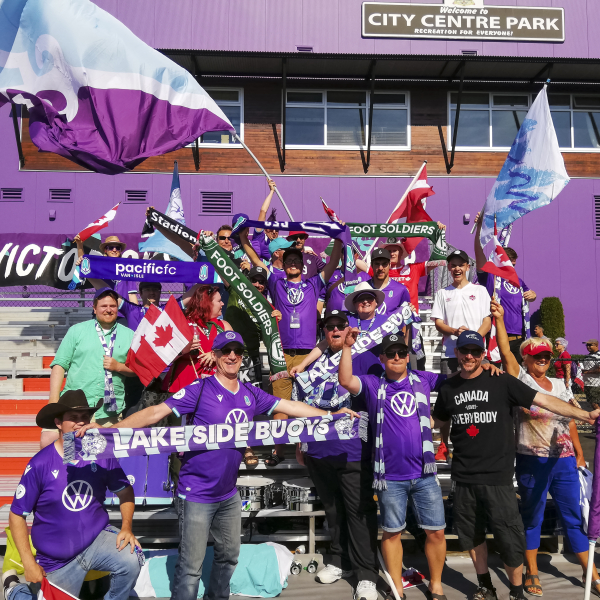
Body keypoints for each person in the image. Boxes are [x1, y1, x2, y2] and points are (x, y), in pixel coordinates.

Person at [76, 331, 359, 600]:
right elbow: (154, 412)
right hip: (196, 494)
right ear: (216, 355)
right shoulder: (199, 389)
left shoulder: (251, 393)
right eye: (226, 351)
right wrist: (108, 429)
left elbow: (292, 407)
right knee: (190, 567)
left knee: (228, 558)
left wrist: (330, 414)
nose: (232, 356)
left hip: (228, 495)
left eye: (237, 351)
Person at [432, 330, 600, 600]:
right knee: (473, 535)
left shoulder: (502, 382)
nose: (470, 356)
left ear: (483, 354)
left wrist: (585, 414)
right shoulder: (448, 388)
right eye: (465, 351)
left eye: (476, 352)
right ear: (457, 353)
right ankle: (485, 585)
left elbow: (544, 400)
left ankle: (516, 590)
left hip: (498, 476)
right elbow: (439, 421)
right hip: (463, 475)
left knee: (509, 537)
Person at [490, 300, 599, 597]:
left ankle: (592, 573)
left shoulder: (558, 383)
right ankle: (533, 571)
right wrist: (499, 320)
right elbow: (504, 351)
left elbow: (570, 420)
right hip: (530, 461)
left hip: (563, 461)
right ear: (526, 358)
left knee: (573, 516)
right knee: (533, 516)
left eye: (547, 356)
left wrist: (578, 453)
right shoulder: (520, 380)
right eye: (537, 355)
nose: (542, 359)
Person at [339, 331, 450, 600]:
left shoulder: (423, 379)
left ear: (408, 355)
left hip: (424, 473)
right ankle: (397, 588)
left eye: (402, 352)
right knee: (392, 534)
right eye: (391, 353)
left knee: (435, 531)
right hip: (389, 477)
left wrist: (487, 365)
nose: (398, 357)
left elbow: (460, 379)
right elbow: (345, 380)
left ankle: (436, 585)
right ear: (382, 358)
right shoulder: (372, 384)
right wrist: (346, 347)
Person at [3, 390, 141, 600]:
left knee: (133, 556)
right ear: (58, 423)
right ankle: (14, 588)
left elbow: (125, 491)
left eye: (84, 417)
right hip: (57, 560)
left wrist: (127, 527)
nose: (80, 423)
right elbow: (16, 515)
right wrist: (29, 563)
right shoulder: (40, 464)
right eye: (73, 418)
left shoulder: (102, 454)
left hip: (96, 541)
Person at [290, 310, 382, 600]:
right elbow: (299, 403)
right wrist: (301, 445)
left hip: (353, 448)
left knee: (359, 512)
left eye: (340, 326)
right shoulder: (312, 362)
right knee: (333, 510)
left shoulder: (365, 357)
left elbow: (377, 397)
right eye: (329, 328)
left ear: (348, 329)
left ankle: (367, 574)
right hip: (318, 449)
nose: (334, 331)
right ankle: (340, 560)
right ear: (324, 333)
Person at [239, 227, 343, 465]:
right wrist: (244, 238)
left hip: (309, 356)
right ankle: (279, 450)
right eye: (289, 261)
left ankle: (304, 450)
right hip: (281, 355)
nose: (293, 264)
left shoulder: (314, 284)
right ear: (283, 265)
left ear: (302, 265)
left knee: (308, 405)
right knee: (280, 404)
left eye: (297, 261)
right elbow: (255, 259)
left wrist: (337, 237)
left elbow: (334, 261)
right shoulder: (276, 282)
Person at [43, 289, 135, 449]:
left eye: (112, 306)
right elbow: (59, 365)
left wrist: (119, 367)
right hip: (74, 412)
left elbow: (139, 370)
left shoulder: (130, 335)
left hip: (109, 414)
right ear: (94, 308)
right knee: (69, 456)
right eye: (104, 305)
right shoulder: (77, 331)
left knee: (104, 460)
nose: (108, 309)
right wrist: (53, 400)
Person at [474, 215, 536, 363]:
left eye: (514, 265)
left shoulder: (518, 281)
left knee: (516, 379)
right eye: (509, 264)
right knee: (497, 378)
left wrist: (533, 295)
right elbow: (479, 254)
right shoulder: (491, 278)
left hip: (519, 338)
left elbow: (530, 295)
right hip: (497, 337)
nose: (512, 268)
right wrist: (479, 228)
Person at [163, 284, 233, 393]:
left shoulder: (224, 326)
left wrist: (217, 354)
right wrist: (183, 350)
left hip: (215, 386)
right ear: (207, 303)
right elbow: (164, 357)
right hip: (183, 387)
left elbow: (235, 352)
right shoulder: (184, 324)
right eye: (219, 301)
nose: (222, 303)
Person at [431, 250, 491, 374]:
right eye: (453, 265)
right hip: (450, 354)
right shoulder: (442, 293)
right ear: (449, 267)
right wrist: (455, 331)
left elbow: (487, 322)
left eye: (461, 265)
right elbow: (438, 323)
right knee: (451, 391)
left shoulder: (481, 290)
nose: (457, 268)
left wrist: (473, 340)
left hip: (476, 353)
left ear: (467, 267)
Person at [74, 234, 138, 323]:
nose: (114, 250)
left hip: (121, 314)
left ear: (120, 251)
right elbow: (84, 263)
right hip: (102, 312)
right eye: (111, 247)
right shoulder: (99, 265)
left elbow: (132, 295)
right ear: (105, 250)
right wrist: (80, 245)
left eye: (117, 248)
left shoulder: (127, 268)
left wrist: (136, 315)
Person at [361, 248, 410, 317]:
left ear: (390, 264)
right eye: (377, 264)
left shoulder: (401, 290)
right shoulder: (363, 288)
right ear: (372, 265)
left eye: (384, 264)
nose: (380, 268)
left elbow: (406, 319)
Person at [251, 179, 279, 261]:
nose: (274, 231)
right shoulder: (259, 239)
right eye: (271, 228)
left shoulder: (281, 244)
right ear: (265, 230)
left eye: (276, 229)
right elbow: (263, 212)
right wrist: (272, 192)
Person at [582, 339, 600, 409]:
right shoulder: (588, 356)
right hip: (587, 383)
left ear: (596, 345)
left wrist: (587, 372)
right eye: (587, 345)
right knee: (591, 404)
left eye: (590, 345)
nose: (588, 347)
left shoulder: (598, 356)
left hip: (595, 384)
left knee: (594, 404)